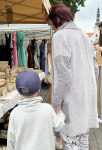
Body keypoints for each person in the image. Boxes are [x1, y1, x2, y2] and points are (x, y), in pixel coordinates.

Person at [47, 2, 99, 150]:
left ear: (57, 19)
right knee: (83, 143)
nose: (52, 28)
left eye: (51, 24)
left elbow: (64, 76)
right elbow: (95, 69)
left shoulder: (60, 36)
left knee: (70, 144)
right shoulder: (84, 36)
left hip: (70, 103)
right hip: (87, 101)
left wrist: (56, 104)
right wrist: (85, 87)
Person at [7, 70, 65, 150]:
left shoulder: (15, 113)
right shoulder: (47, 109)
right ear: (39, 89)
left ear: (19, 92)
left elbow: (11, 142)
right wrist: (61, 115)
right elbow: (58, 125)